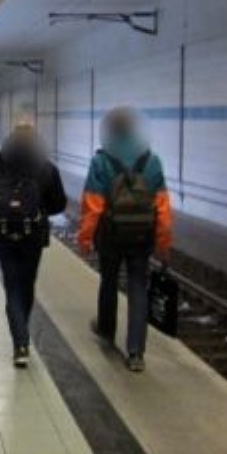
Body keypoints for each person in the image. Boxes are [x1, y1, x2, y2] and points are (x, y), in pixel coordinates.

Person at [77, 107, 173, 372]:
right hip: (142, 236)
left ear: (109, 131)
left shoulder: (101, 161)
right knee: (138, 287)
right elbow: (163, 208)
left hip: (110, 236)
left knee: (108, 281)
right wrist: (163, 243)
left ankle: (106, 331)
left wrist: (85, 239)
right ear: (134, 130)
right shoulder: (152, 161)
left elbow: (92, 206)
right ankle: (136, 352)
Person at [0, 123, 67, 368]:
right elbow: (59, 203)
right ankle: (22, 333)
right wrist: (39, 211)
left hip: (3, 234)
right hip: (33, 235)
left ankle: (20, 344)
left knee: (12, 286)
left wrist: (7, 213)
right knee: (27, 285)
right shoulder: (46, 168)